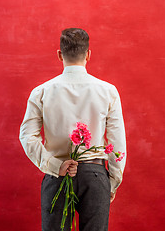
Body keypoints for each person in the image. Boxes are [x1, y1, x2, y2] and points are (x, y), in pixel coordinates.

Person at [19, 28, 126, 231]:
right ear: (88, 54)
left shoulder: (41, 92)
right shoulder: (108, 91)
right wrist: (112, 181)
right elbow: (117, 142)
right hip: (95, 176)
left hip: (57, 175)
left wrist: (53, 165)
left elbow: (27, 136)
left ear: (60, 54)